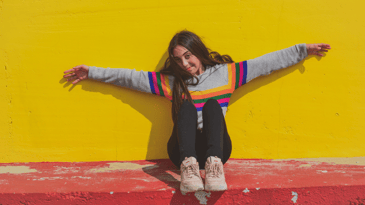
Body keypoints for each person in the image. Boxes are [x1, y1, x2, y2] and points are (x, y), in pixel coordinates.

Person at [63, 30, 331, 193]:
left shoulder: (227, 74)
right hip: (182, 152)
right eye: (178, 60)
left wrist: (302, 50)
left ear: (198, 52)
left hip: (217, 151)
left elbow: (266, 63)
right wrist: (92, 72)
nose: (185, 63)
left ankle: (214, 168)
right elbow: (130, 78)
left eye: (188, 56)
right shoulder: (172, 82)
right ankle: (189, 169)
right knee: (186, 105)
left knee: (214, 106)